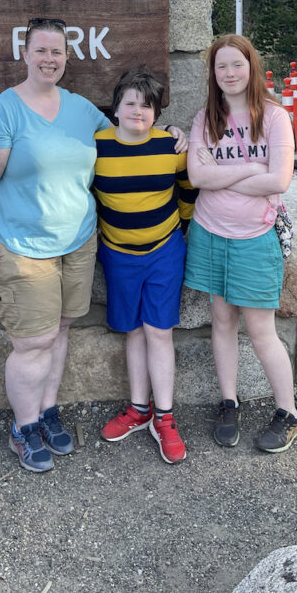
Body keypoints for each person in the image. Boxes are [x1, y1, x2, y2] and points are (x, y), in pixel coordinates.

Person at [0, 19, 185, 473]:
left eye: (57, 52)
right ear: (24, 53)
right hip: (24, 248)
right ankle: (23, 427)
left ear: (67, 57)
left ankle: (47, 412)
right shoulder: (1, 111)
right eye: (41, 50)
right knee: (33, 342)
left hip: (80, 244)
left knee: (61, 329)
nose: (49, 59)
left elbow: (130, 132)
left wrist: (175, 134)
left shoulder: (83, 111)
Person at [184, 34, 297, 454]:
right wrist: (251, 166)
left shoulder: (272, 117)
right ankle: (229, 402)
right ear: (213, 74)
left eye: (237, 64)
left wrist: (225, 169)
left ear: (251, 67)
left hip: (255, 237)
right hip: (210, 231)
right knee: (221, 320)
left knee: (260, 330)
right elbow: (198, 178)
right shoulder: (205, 119)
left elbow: (279, 180)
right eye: (221, 67)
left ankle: (289, 412)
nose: (230, 73)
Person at [93, 67, 196, 464]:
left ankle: (165, 418)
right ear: (116, 109)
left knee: (159, 332)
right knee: (133, 331)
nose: (138, 111)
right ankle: (139, 409)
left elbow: (188, 189)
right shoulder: (97, 147)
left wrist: (182, 230)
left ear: (156, 112)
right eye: (130, 103)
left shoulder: (170, 147)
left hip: (164, 251)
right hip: (118, 254)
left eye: (147, 105)